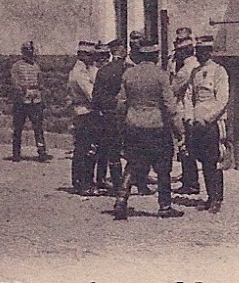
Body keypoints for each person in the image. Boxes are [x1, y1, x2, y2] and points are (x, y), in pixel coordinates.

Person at [113, 41, 184, 220]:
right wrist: (179, 130)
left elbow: (121, 103)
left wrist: (121, 124)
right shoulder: (161, 76)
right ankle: (165, 206)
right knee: (162, 166)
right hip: (156, 126)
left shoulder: (129, 74)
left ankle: (121, 200)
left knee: (132, 162)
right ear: (155, 55)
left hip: (133, 124)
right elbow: (170, 106)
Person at [185, 35, 230, 213]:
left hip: (212, 123)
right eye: (198, 51)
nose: (199, 55)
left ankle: (217, 199)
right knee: (203, 160)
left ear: (210, 52)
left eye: (203, 51)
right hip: (196, 122)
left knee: (214, 161)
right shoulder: (195, 73)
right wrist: (189, 117)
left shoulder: (219, 71)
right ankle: (209, 196)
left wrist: (208, 118)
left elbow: (222, 99)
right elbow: (189, 97)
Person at [91, 37, 129, 192]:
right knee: (119, 150)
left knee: (105, 148)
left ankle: (102, 180)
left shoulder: (103, 71)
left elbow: (96, 96)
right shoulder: (128, 70)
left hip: (106, 114)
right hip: (123, 114)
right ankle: (121, 185)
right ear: (122, 52)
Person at [169, 28, 201, 195]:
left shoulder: (186, 70)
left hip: (182, 109)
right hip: (191, 109)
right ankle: (189, 178)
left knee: (184, 145)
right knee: (187, 145)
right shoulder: (195, 65)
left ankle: (191, 182)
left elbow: (172, 89)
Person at [67, 40, 100, 193]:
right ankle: (82, 183)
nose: (94, 58)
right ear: (83, 55)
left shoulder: (86, 69)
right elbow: (92, 94)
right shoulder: (79, 73)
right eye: (91, 55)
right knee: (84, 149)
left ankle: (83, 181)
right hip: (84, 112)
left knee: (85, 148)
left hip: (85, 112)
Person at [10, 41, 51, 162]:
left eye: (31, 51)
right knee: (18, 128)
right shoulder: (17, 66)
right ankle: (16, 153)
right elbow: (15, 83)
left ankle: (42, 152)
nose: (30, 53)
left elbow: (41, 82)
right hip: (22, 101)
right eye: (27, 51)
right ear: (23, 52)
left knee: (38, 128)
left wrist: (41, 95)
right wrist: (22, 91)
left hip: (35, 100)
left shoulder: (36, 66)